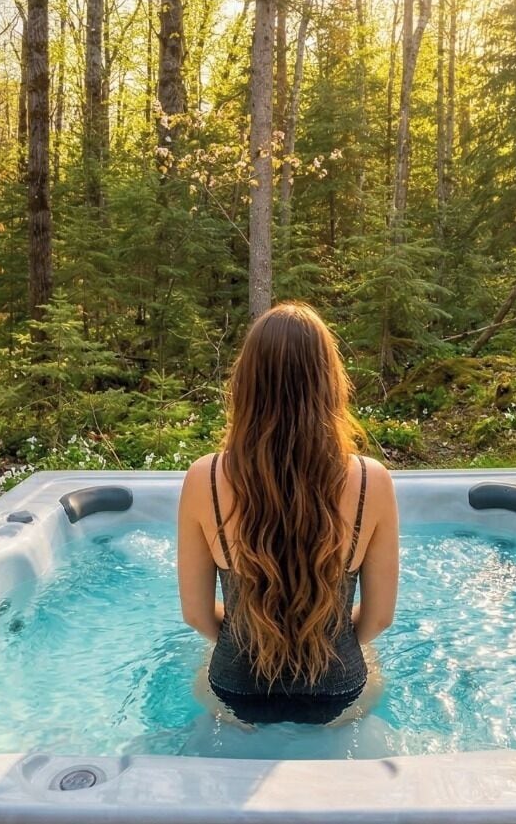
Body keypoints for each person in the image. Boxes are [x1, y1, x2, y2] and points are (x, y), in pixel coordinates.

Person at [177, 302, 399, 726]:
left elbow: (196, 615)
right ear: (329, 381)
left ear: (245, 383)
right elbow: (379, 617)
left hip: (234, 689)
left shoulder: (203, 477)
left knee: (202, 658)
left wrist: (254, 632)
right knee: (368, 654)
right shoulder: (373, 480)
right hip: (338, 691)